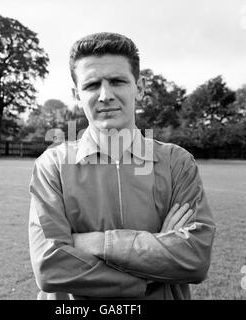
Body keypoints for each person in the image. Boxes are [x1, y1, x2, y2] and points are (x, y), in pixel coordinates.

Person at [28, 32, 216, 300]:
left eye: (117, 81)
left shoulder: (178, 164)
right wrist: (156, 255)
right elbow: (50, 269)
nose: (105, 95)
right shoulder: (53, 166)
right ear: (76, 93)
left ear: (139, 87)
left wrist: (94, 243)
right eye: (92, 85)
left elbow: (194, 260)